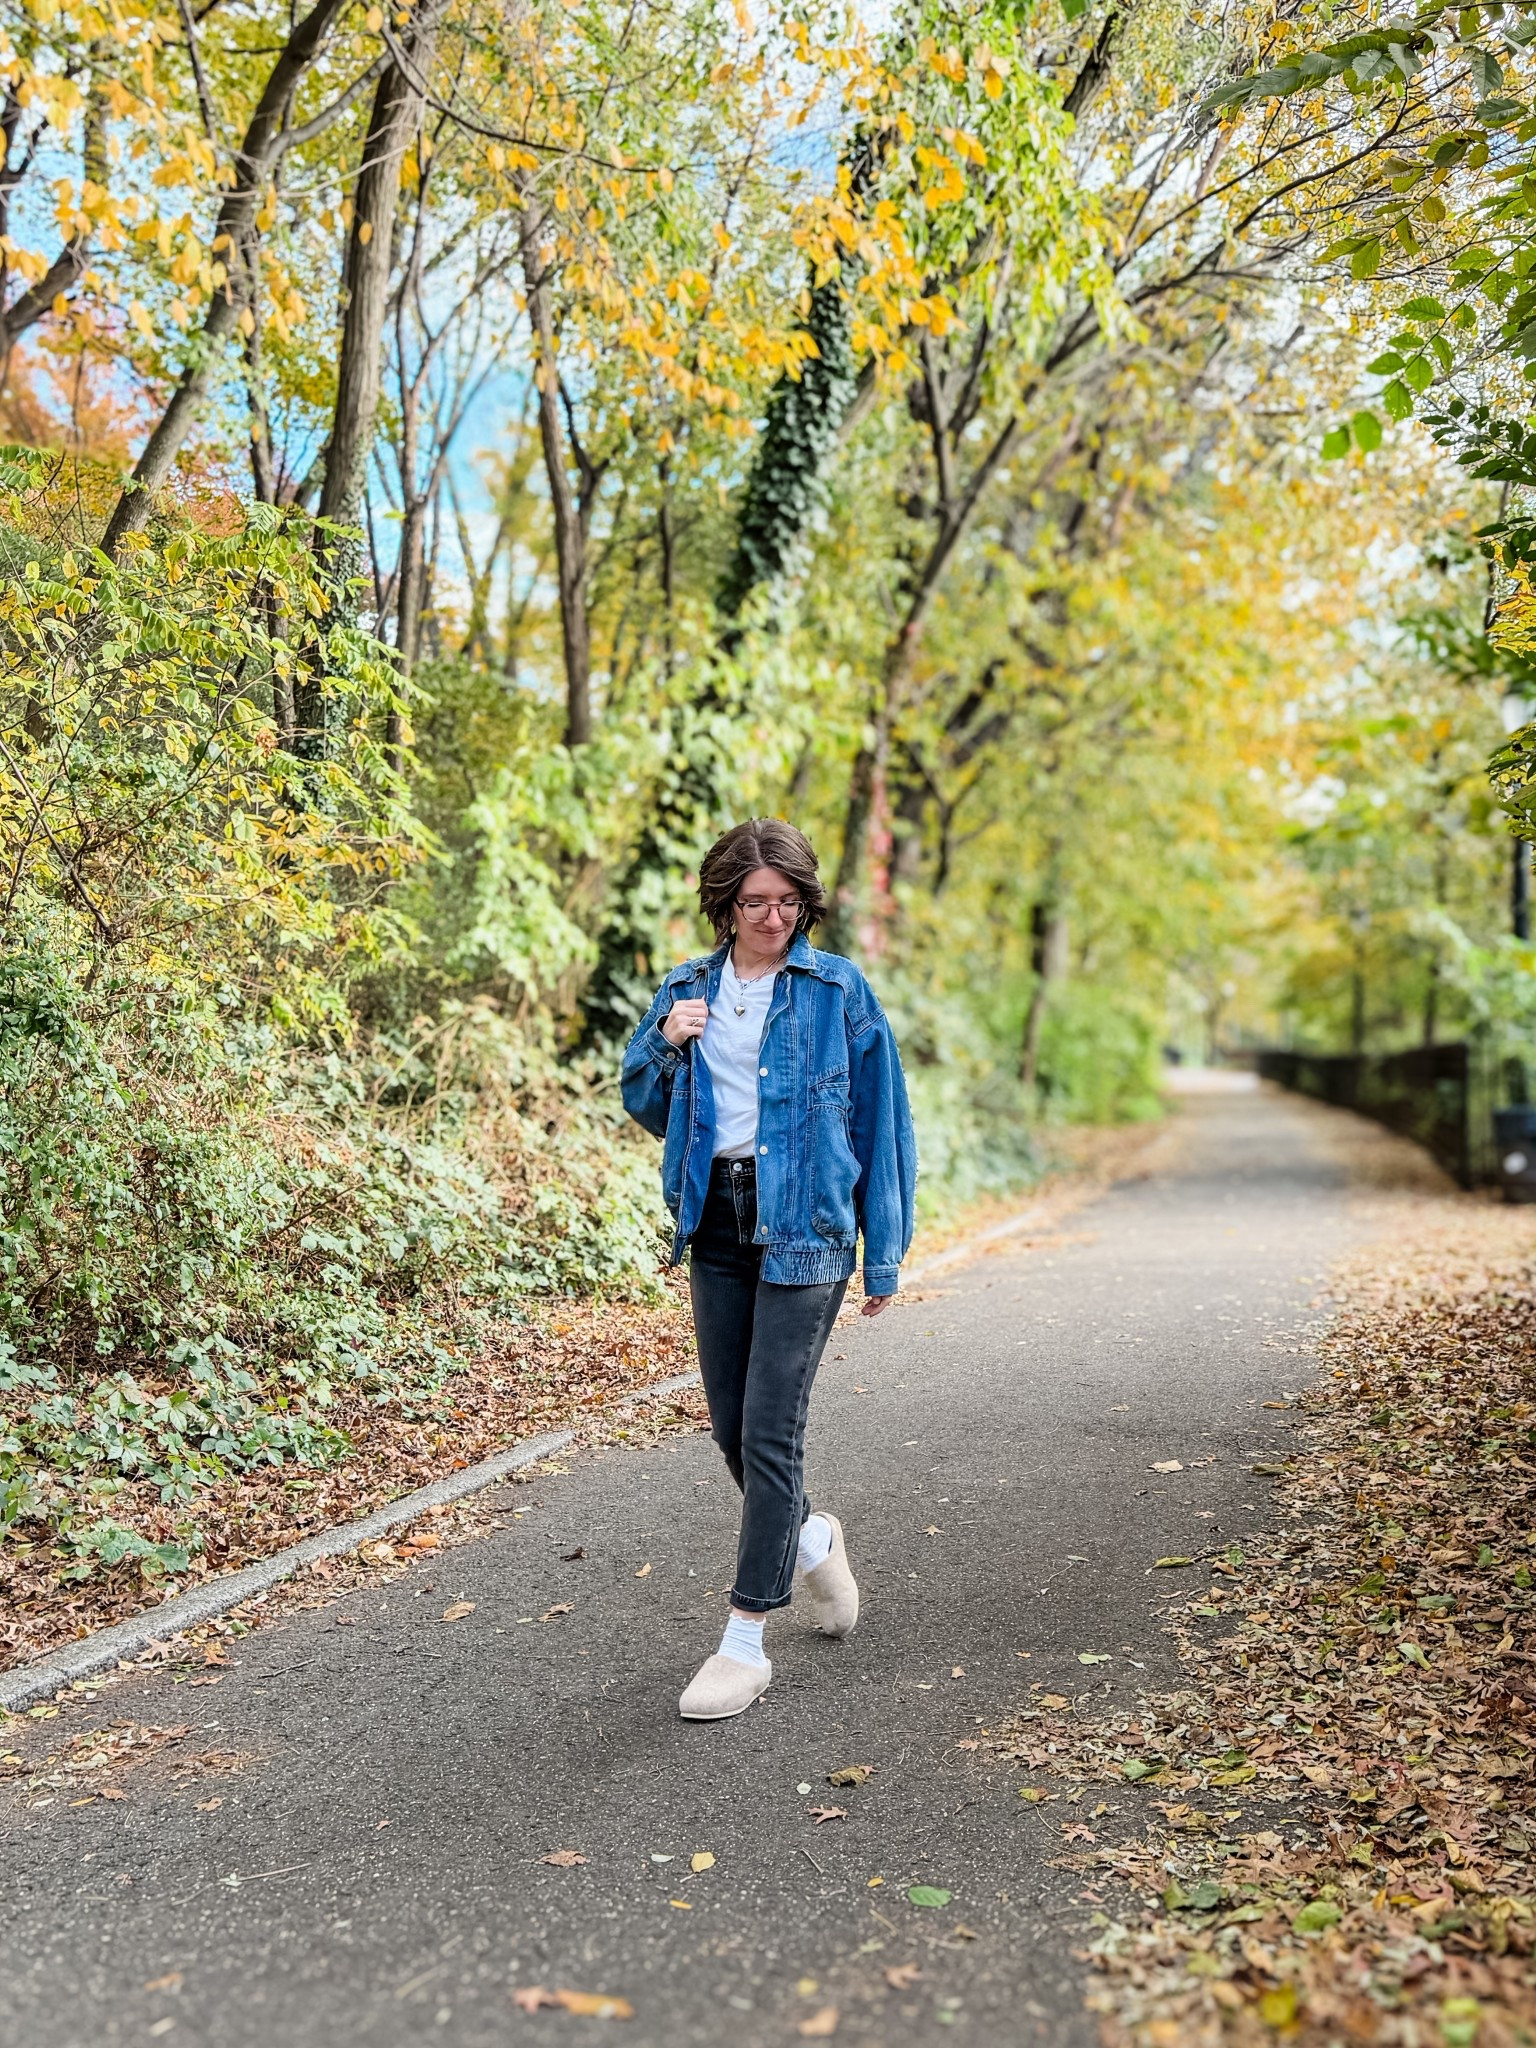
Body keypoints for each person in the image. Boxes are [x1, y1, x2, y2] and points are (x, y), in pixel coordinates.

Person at [621, 818, 918, 1720]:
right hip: (715, 1218)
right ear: (725, 904)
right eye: (755, 902)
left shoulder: (838, 992)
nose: (773, 916)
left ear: (805, 902)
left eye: (788, 901)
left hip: (807, 1226)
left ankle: (744, 1643)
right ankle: (813, 1537)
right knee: (728, 1429)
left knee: (770, 1432)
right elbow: (643, 1102)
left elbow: (882, 1123)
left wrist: (884, 1255)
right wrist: (667, 1041)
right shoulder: (686, 988)